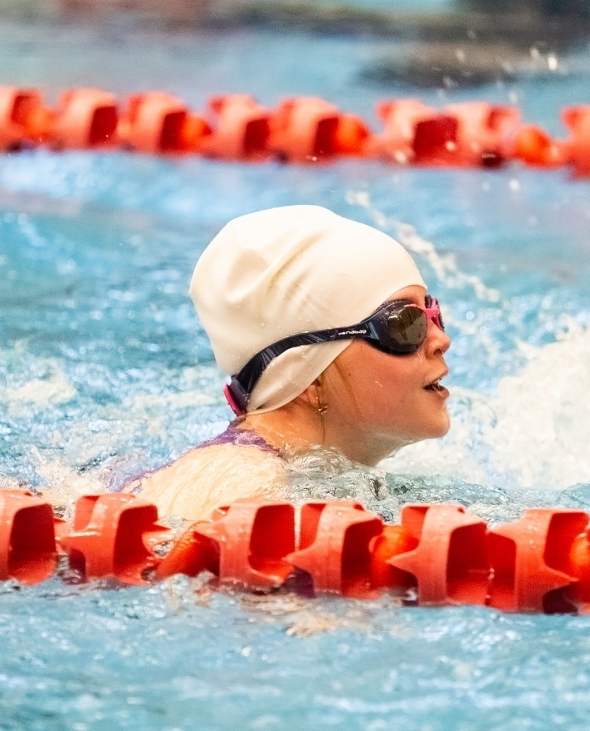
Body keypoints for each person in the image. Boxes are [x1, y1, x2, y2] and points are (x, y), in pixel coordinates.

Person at [133, 205, 451, 522]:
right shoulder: (239, 484)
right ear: (305, 376)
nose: (441, 340)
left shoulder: (311, 476)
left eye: (433, 313)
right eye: (405, 323)